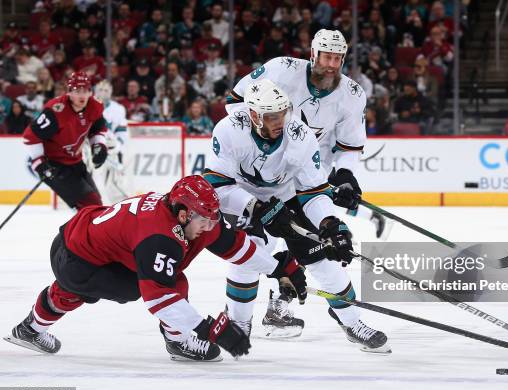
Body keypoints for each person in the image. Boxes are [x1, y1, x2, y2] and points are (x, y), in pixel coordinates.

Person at [3, 176, 307, 362]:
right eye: (205, 221)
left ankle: (29, 329)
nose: (209, 227)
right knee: (143, 285)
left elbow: (233, 244)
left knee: (151, 278)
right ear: (184, 213)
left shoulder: (189, 216)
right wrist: (211, 329)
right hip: (76, 259)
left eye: (212, 219)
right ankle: (178, 341)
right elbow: (158, 298)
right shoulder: (160, 239)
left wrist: (278, 268)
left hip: (78, 238)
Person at [206, 78, 389, 352]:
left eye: (283, 113)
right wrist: (255, 207)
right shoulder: (230, 130)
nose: (280, 121)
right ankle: (238, 322)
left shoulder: (299, 134)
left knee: (323, 257)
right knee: (250, 252)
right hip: (240, 196)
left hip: (286, 194)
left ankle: (352, 321)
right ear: (254, 115)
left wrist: (329, 223)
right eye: (271, 116)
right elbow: (218, 189)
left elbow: (313, 191)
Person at [227, 29, 391, 241]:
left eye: (337, 58)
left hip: (310, 172)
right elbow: (235, 103)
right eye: (327, 57)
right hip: (266, 166)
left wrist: (345, 175)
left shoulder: (353, 94)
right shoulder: (281, 69)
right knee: (257, 241)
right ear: (313, 54)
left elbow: (349, 147)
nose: (332, 64)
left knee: (307, 244)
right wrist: (264, 139)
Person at [22, 71, 107, 209]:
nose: (82, 95)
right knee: (91, 205)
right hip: (54, 166)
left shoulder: (94, 106)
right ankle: (69, 231)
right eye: (77, 91)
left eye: (86, 90)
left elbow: (97, 128)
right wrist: (39, 162)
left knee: (95, 205)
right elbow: (30, 136)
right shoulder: (56, 111)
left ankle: (78, 231)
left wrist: (99, 145)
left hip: (76, 161)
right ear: (69, 92)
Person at [91, 80, 130, 204]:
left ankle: (122, 206)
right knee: (93, 179)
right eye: (100, 90)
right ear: (95, 91)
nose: (103, 93)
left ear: (111, 92)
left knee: (114, 181)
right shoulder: (88, 105)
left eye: (106, 90)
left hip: (112, 150)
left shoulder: (118, 109)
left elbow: (121, 129)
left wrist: (118, 144)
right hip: (92, 148)